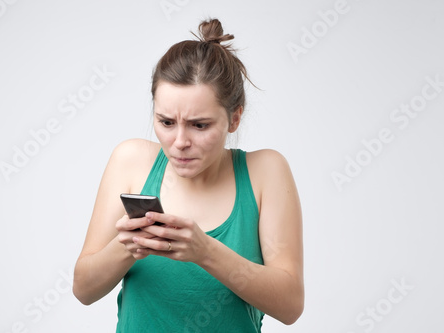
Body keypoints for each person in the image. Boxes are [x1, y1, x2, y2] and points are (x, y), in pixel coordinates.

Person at [73, 18, 304, 332]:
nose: (180, 142)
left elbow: (290, 306)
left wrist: (206, 252)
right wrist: (128, 246)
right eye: (166, 122)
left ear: (234, 118)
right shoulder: (130, 161)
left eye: (200, 125)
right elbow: (83, 290)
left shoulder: (265, 172)